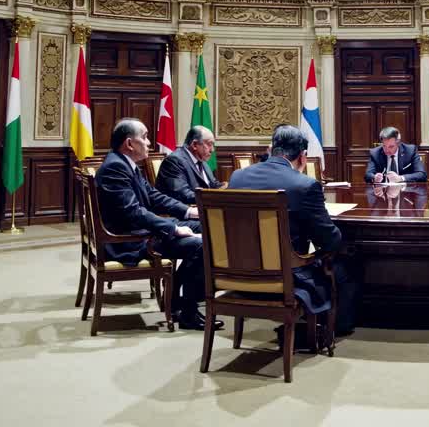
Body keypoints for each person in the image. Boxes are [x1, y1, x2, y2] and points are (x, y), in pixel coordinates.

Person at [228, 124, 357, 341]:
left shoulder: (238, 177)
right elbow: (330, 240)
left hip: (237, 276)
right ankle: (334, 328)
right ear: (303, 156)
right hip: (285, 279)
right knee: (347, 265)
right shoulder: (304, 185)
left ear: (272, 149)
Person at [94, 118, 221, 331]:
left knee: (209, 228)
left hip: (141, 232)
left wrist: (189, 212)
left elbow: (154, 196)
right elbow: (134, 212)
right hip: (128, 242)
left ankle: (176, 299)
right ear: (129, 143)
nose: (149, 142)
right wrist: (173, 228)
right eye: (144, 137)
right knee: (202, 245)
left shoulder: (126, 164)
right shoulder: (115, 168)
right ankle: (186, 309)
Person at [155, 125, 221, 204]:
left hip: (202, 207)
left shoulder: (201, 160)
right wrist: (213, 198)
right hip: (181, 212)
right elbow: (183, 195)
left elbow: (213, 185)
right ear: (194, 145)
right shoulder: (174, 161)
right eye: (209, 144)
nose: (212, 150)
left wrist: (228, 189)